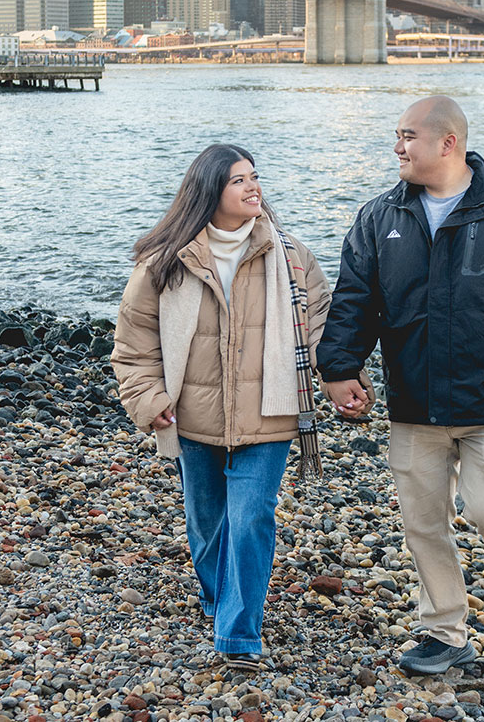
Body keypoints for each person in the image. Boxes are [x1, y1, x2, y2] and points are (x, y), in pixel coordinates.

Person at [317, 96, 484, 676]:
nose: (397, 147)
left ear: (448, 143)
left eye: (408, 136)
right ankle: (444, 630)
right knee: (423, 523)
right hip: (414, 402)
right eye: (396, 135)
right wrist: (338, 368)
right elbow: (355, 301)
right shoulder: (379, 217)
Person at [111, 144, 332, 673]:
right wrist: (150, 401)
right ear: (210, 191)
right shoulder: (166, 263)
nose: (253, 187)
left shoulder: (293, 257)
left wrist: (342, 378)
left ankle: (238, 635)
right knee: (207, 523)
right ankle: (219, 601)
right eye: (239, 181)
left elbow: (323, 327)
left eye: (255, 176)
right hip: (193, 418)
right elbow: (134, 346)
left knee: (252, 516)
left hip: (272, 412)